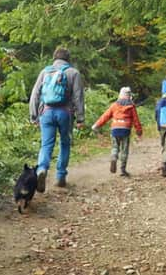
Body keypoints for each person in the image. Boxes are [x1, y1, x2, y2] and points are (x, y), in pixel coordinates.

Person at [29, 47, 85, 190]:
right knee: (65, 143)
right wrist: (80, 118)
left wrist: (33, 116)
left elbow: (35, 94)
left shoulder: (45, 71)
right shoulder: (74, 73)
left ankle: (42, 169)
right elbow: (78, 97)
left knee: (46, 144)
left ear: (54, 58)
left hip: (46, 113)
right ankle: (60, 176)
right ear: (68, 59)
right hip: (64, 113)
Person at [92, 87, 143, 177]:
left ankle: (114, 157)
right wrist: (139, 131)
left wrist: (96, 125)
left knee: (115, 147)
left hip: (115, 128)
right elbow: (136, 120)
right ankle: (123, 170)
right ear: (129, 96)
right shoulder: (131, 106)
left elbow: (105, 116)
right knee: (124, 150)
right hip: (125, 129)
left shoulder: (114, 105)